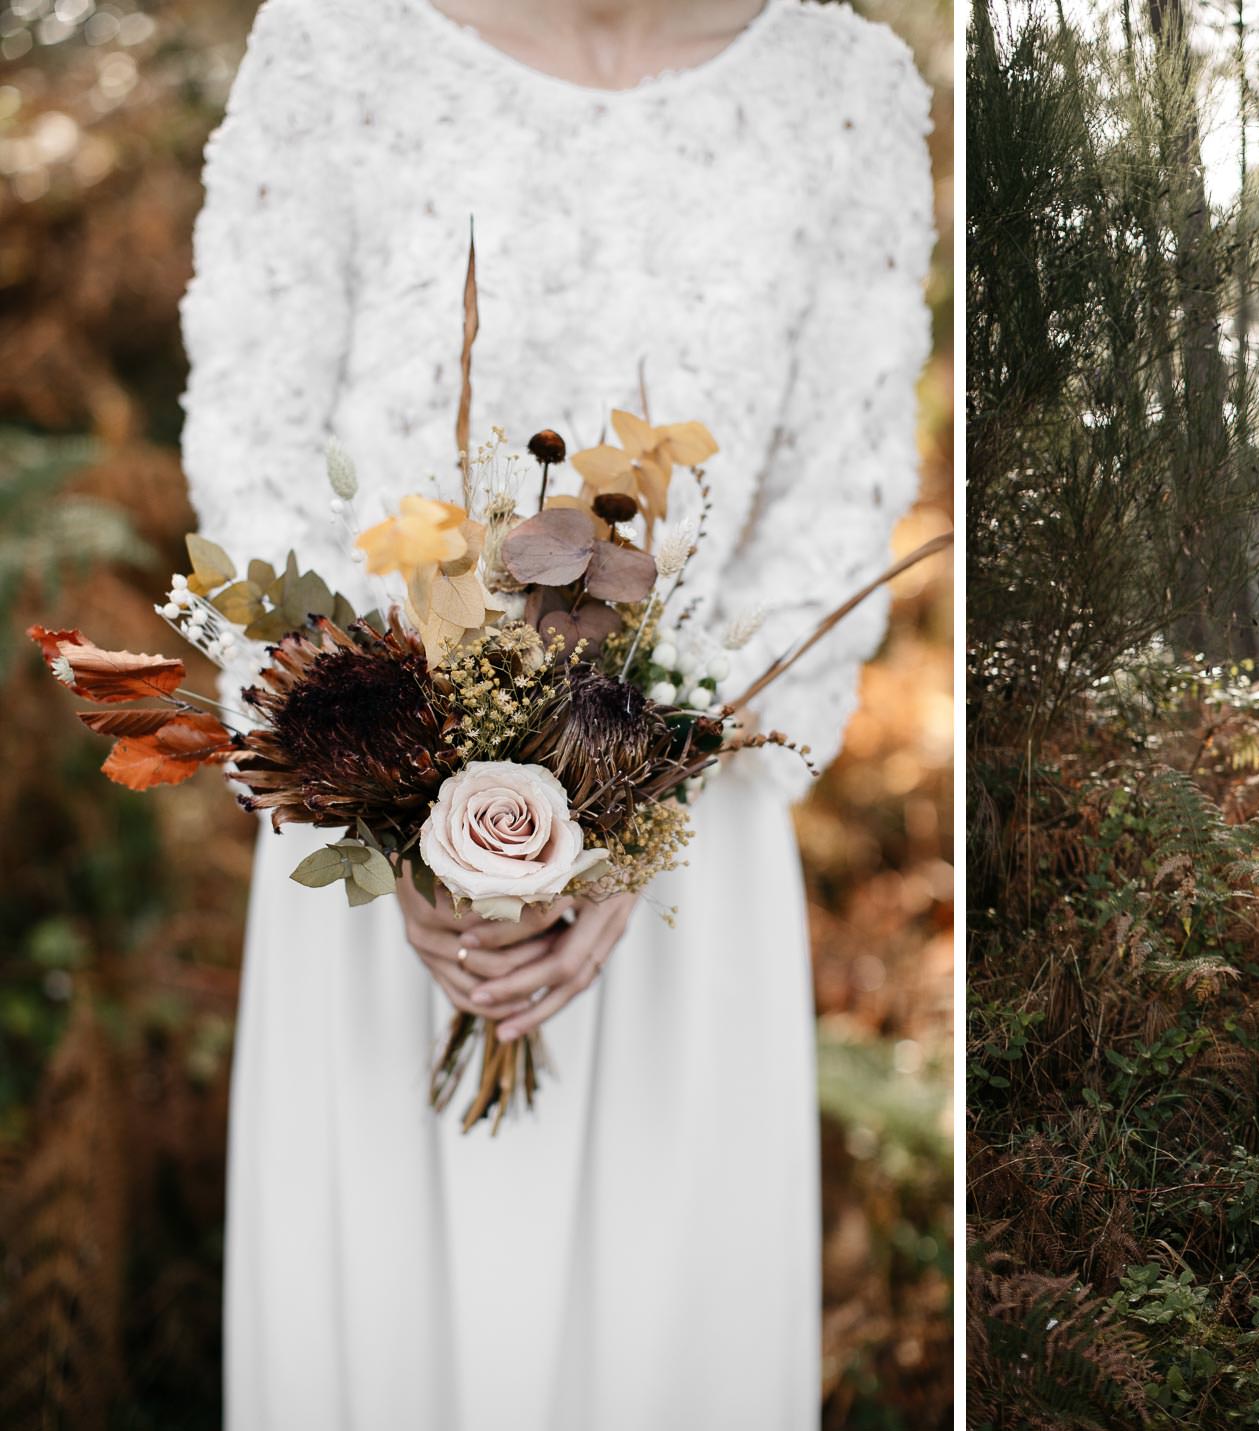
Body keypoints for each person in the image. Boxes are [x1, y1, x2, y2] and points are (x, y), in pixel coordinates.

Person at [176, 0, 934, 1423]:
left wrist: (631, 811)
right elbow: (255, 457)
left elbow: (833, 511)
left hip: (681, 877)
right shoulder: (335, 47)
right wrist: (394, 813)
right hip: (374, 870)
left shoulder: (846, 92)